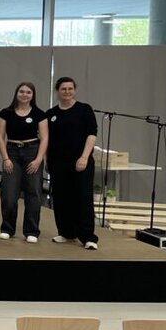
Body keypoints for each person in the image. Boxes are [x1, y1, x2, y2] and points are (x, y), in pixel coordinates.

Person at [46, 77, 99, 250]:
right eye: (63, 89)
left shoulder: (84, 109)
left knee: (83, 198)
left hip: (80, 162)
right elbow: (47, 140)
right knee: (61, 198)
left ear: (74, 90)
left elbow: (92, 134)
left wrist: (84, 157)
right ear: (57, 91)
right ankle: (66, 232)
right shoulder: (51, 114)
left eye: (70, 89)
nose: (67, 92)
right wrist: (47, 160)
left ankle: (88, 237)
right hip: (58, 163)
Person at [0, 82, 48, 243]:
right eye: (21, 91)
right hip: (12, 153)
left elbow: (45, 138)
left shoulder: (39, 114)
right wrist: (5, 158)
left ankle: (31, 231)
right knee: (9, 194)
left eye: (28, 92)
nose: (24, 95)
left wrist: (38, 159)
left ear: (33, 95)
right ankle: (7, 228)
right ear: (16, 93)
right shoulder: (6, 113)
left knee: (33, 193)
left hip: (32, 152)